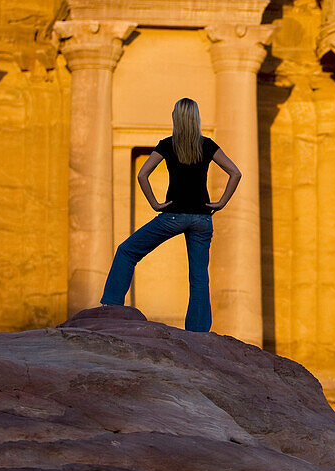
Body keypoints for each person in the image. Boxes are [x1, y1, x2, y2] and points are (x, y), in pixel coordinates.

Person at [100, 98, 241, 332]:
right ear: (196, 118)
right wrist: (221, 203)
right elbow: (235, 173)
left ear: (176, 117)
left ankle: (111, 305)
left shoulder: (167, 144)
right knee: (198, 277)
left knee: (127, 251)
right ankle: (197, 332)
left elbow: (142, 175)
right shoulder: (207, 145)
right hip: (202, 219)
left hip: (173, 216)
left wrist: (155, 203)